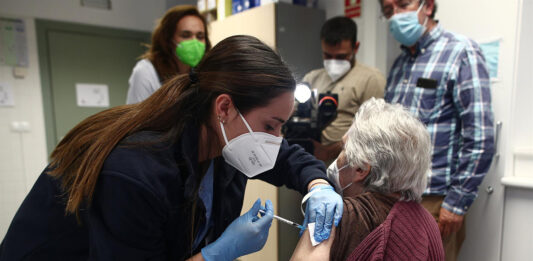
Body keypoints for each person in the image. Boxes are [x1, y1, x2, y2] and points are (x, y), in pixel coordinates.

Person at [0, 36, 343, 261]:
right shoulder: (135, 174)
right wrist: (217, 254)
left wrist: (318, 188)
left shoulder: (225, 138)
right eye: (271, 125)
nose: (276, 138)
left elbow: (287, 157)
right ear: (224, 107)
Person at [378, 0, 495, 260]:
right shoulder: (399, 65)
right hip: (394, 196)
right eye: (388, 11)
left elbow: (481, 138)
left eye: (403, 4)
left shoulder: (461, 52)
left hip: (434, 201)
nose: (396, 16)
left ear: (427, 6)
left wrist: (456, 203)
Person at [291, 98, 444, 261]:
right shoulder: (429, 224)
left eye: (343, 148)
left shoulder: (336, 217)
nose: (339, 157)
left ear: (361, 168)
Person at [302, 16, 386, 165]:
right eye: (327, 55)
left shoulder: (371, 79)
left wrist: (329, 152)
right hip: (311, 160)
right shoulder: (312, 78)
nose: (333, 61)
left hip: (350, 165)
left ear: (356, 48)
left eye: (341, 56)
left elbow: (371, 132)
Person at [126, 5, 211, 104]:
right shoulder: (146, 72)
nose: (194, 42)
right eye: (186, 35)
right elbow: (137, 118)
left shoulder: (203, 74)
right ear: (168, 39)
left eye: (200, 36)